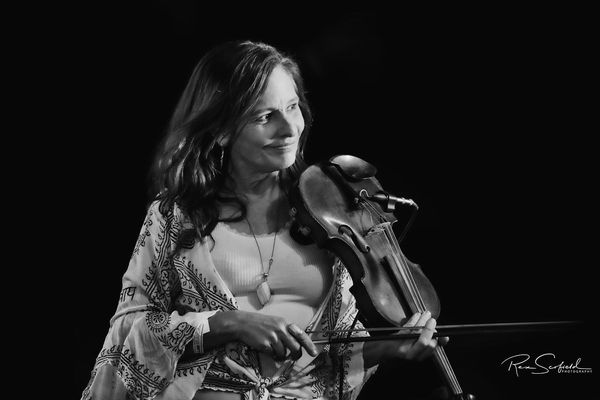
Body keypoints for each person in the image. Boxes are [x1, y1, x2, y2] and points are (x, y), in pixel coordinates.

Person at [81, 40, 445, 400]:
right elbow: (128, 330)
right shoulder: (175, 216)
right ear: (222, 130)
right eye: (265, 116)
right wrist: (226, 323)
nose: (289, 128)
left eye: (292, 107)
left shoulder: (331, 211)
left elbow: (333, 355)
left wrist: (390, 348)